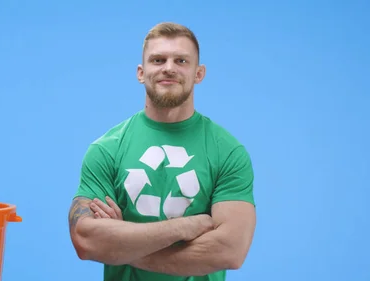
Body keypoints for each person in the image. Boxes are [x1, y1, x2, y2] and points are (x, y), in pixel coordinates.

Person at [67, 22, 257, 281]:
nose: (169, 67)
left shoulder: (227, 151)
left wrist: (122, 246)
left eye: (181, 60)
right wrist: (186, 227)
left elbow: (230, 250)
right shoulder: (107, 149)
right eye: (158, 60)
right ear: (141, 72)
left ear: (198, 73)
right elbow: (86, 239)